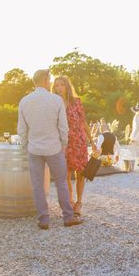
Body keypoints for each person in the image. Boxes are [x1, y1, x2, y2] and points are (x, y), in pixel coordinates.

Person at [17, 69, 83, 230]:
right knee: (61, 182)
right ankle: (68, 217)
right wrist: (63, 144)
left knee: (38, 185)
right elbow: (63, 127)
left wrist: (27, 146)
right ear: (46, 80)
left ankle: (44, 220)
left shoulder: (24, 101)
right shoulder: (56, 100)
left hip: (34, 149)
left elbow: (21, 129)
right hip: (54, 148)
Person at [52, 75, 92, 216]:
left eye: (61, 85)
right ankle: (70, 202)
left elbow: (83, 123)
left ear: (67, 86)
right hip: (63, 143)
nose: (59, 88)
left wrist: (92, 142)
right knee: (66, 174)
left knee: (80, 173)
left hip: (79, 141)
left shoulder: (76, 102)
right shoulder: (54, 104)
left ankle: (79, 202)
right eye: (56, 85)